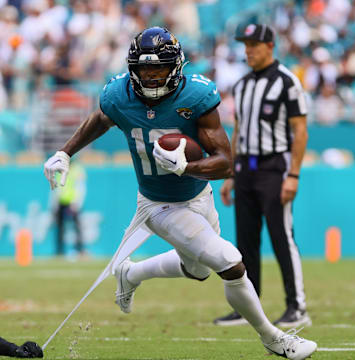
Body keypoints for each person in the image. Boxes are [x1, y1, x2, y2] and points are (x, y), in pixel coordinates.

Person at [44, 27, 317, 359]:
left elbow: (226, 163)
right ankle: (274, 339)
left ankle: (130, 272)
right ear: (133, 69)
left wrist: (186, 167)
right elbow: (101, 119)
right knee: (229, 262)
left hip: (199, 195)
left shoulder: (196, 97)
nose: (151, 76)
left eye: (158, 68)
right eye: (144, 69)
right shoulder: (119, 95)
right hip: (158, 204)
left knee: (199, 269)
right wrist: (65, 152)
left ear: (175, 66)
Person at [213, 24, 311, 328]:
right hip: (245, 170)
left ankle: (297, 307)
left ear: (270, 46)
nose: (248, 50)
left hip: (274, 168)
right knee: (245, 241)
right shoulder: (242, 85)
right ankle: (248, 308)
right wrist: (230, 173)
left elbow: (300, 130)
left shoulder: (287, 82)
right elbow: (239, 131)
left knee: (282, 237)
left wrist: (293, 174)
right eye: (246, 45)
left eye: (254, 44)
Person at [52, 161, 86, 256]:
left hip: (73, 202)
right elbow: (55, 187)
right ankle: (59, 251)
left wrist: (77, 202)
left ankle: (80, 249)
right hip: (61, 202)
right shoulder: (59, 169)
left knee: (77, 228)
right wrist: (54, 204)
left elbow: (81, 187)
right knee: (60, 228)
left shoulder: (77, 169)